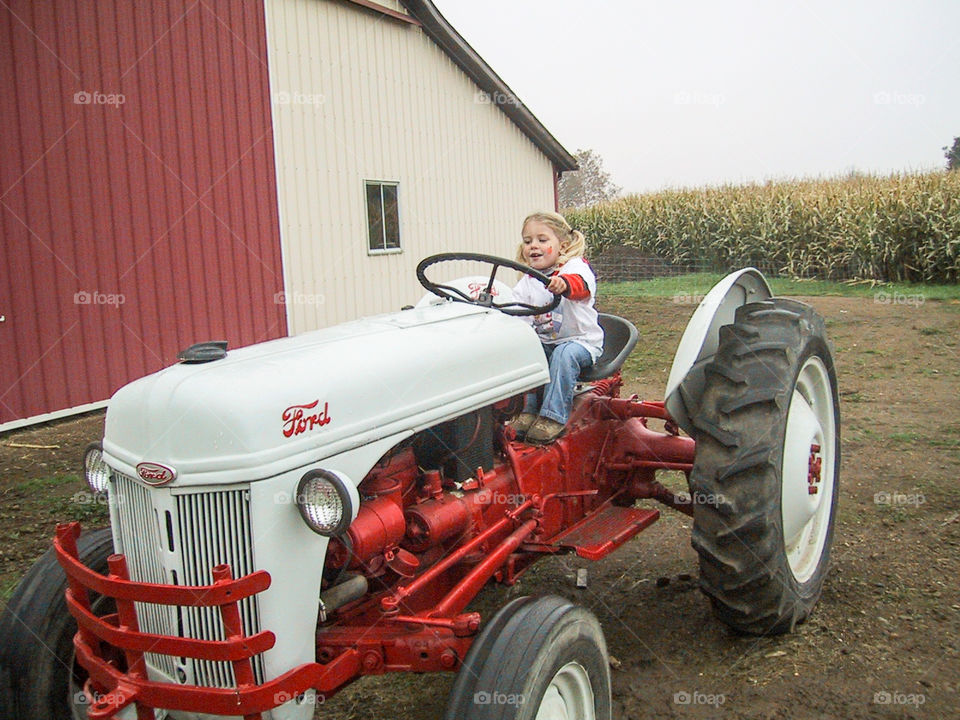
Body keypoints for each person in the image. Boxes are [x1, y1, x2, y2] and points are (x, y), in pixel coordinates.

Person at [510, 211, 603, 444]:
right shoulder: (528, 281)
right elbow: (517, 312)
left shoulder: (575, 267)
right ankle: (528, 411)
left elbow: (580, 286)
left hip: (581, 343)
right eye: (528, 241)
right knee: (528, 350)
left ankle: (553, 417)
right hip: (547, 342)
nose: (534, 246)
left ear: (561, 247)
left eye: (542, 240)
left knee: (564, 353)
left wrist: (564, 285)